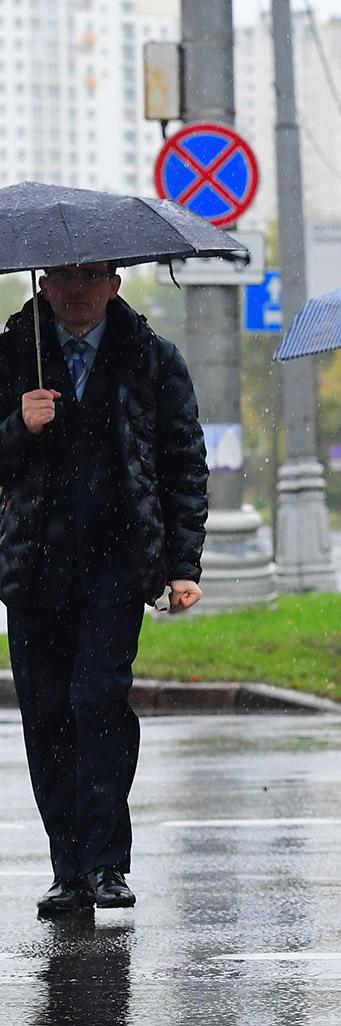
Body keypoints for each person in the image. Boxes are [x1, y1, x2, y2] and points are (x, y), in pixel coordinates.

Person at [0, 262, 208, 917]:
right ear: (43, 283)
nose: (77, 290)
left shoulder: (151, 357)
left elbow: (182, 463)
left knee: (100, 701)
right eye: (64, 276)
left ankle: (107, 862)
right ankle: (69, 870)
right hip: (34, 568)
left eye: (91, 276)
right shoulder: (12, 355)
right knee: (48, 715)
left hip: (117, 567)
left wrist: (184, 566)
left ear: (114, 283)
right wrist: (17, 428)